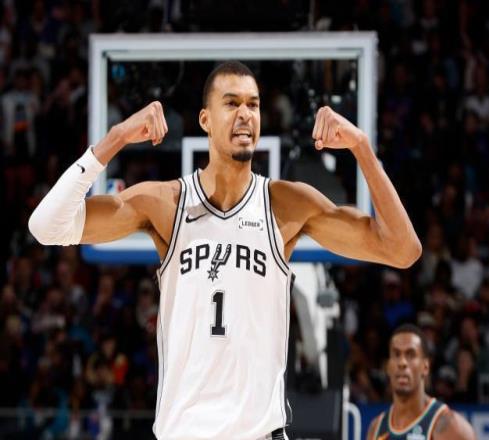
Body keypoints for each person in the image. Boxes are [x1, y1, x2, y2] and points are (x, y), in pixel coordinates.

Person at [29, 61, 422, 440]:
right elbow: (47, 227)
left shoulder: (285, 205)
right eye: (231, 103)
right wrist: (115, 138)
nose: (245, 114)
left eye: (253, 104)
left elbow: (402, 251)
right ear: (205, 120)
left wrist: (363, 149)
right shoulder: (166, 204)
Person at [366, 324, 476, 440]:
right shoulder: (376, 428)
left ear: (425, 366)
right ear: (388, 366)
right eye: (396, 355)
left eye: (410, 355)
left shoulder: (450, 426)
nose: (402, 362)